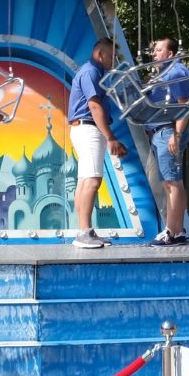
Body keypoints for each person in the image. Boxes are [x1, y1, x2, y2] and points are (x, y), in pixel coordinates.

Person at [66, 38, 128, 250]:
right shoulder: (92, 72)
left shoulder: (93, 72)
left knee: (85, 179)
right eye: (111, 56)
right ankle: (83, 232)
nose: (114, 60)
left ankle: (85, 229)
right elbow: (94, 105)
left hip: (84, 128)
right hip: (88, 128)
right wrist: (110, 137)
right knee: (92, 180)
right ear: (100, 54)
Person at [147, 35, 189, 245]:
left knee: (171, 183)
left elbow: (184, 106)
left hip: (168, 131)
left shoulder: (175, 72)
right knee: (176, 183)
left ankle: (170, 232)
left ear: (170, 53)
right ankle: (179, 230)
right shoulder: (168, 73)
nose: (154, 54)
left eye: (158, 50)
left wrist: (175, 135)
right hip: (164, 131)